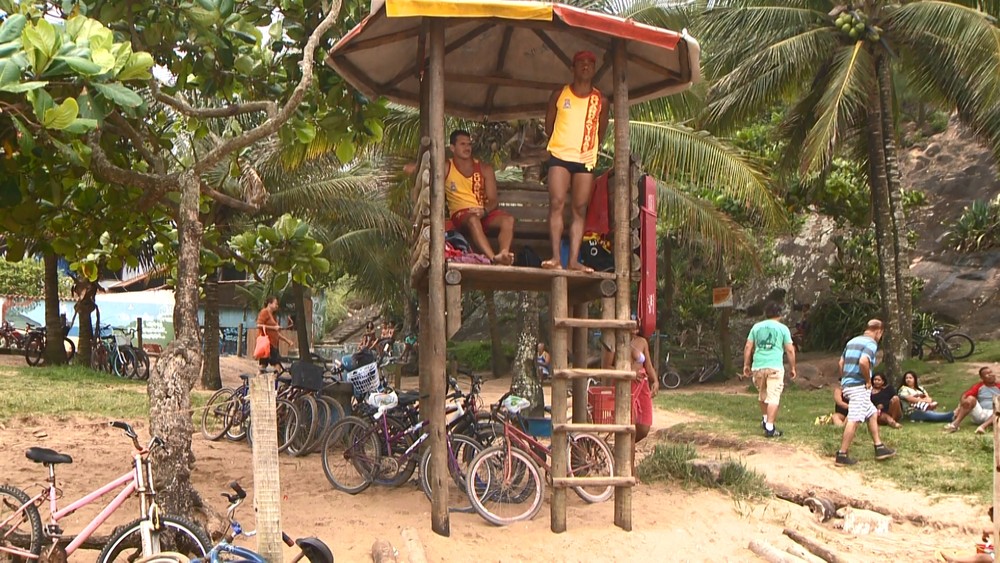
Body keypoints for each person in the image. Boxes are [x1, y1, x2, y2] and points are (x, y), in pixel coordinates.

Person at [542, 50, 610, 272]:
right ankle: (555, 259)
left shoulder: (600, 100)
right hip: (560, 156)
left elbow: (601, 132)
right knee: (557, 203)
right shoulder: (560, 94)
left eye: (590, 63)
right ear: (573, 68)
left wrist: (587, 150)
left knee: (580, 208)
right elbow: (548, 126)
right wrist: (562, 145)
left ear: (594, 69)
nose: (586, 66)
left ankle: (573, 261)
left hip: (585, 160)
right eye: (581, 63)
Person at [445, 130, 515, 265]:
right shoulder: (447, 167)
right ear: (452, 148)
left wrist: (484, 211)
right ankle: (494, 259)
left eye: (469, 144)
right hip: (462, 216)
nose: (467, 147)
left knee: (508, 220)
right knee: (473, 219)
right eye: (462, 144)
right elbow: (427, 170)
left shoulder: (484, 168)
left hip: (483, 213)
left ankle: (503, 254)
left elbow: (493, 200)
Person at [834, 319, 896, 466]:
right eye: (881, 334)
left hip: (848, 384)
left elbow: (841, 363)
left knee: (872, 412)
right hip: (859, 386)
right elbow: (863, 362)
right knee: (854, 419)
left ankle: (879, 447)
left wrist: (844, 380)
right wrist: (868, 380)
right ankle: (842, 454)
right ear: (878, 331)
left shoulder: (852, 341)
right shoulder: (871, 343)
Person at [742, 301, 796, 438]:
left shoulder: (756, 327)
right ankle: (770, 428)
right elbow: (790, 350)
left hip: (758, 365)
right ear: (780, 313)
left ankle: (765, 419)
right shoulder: (783, 328)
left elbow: (748, 347)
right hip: (775, 367)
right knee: (773, 397)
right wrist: (792, 367)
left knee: (762, 394)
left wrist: (746, 365)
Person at [602, 323, 658, 444]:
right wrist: (628, 373)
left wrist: (655, 380)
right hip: (624, 385)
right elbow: (606, 367)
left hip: (642, 385)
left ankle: (622, 448)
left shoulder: (642, 342)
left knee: (643, 428)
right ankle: (626, 457)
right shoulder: (614, 342)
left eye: (637, 323)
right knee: (629, 427)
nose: (635, 326)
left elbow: (648, 365)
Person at [945, 366, 999, 434]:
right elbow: (965, 396)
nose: (991, 375)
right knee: (970, 398)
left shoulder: (998, 386)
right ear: (982, 378)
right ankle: (955, 424)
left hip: (995, 414)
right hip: (980, 413)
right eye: (987, 374)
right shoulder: (979, 386)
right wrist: (960, 406)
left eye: (991, 372)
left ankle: (982, 427)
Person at [256, 296, 293, 368]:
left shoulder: (273, 316)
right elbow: (259, 325)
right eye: (275, 304)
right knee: (277, 365)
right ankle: (273, 377)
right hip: (268, 344)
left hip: (273, 344)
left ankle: (261, 378)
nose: (277, 306)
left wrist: (287, 340)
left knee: (263, 365)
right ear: (269, 304)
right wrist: (273, 327)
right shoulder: (264, 312)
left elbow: (276, 333)